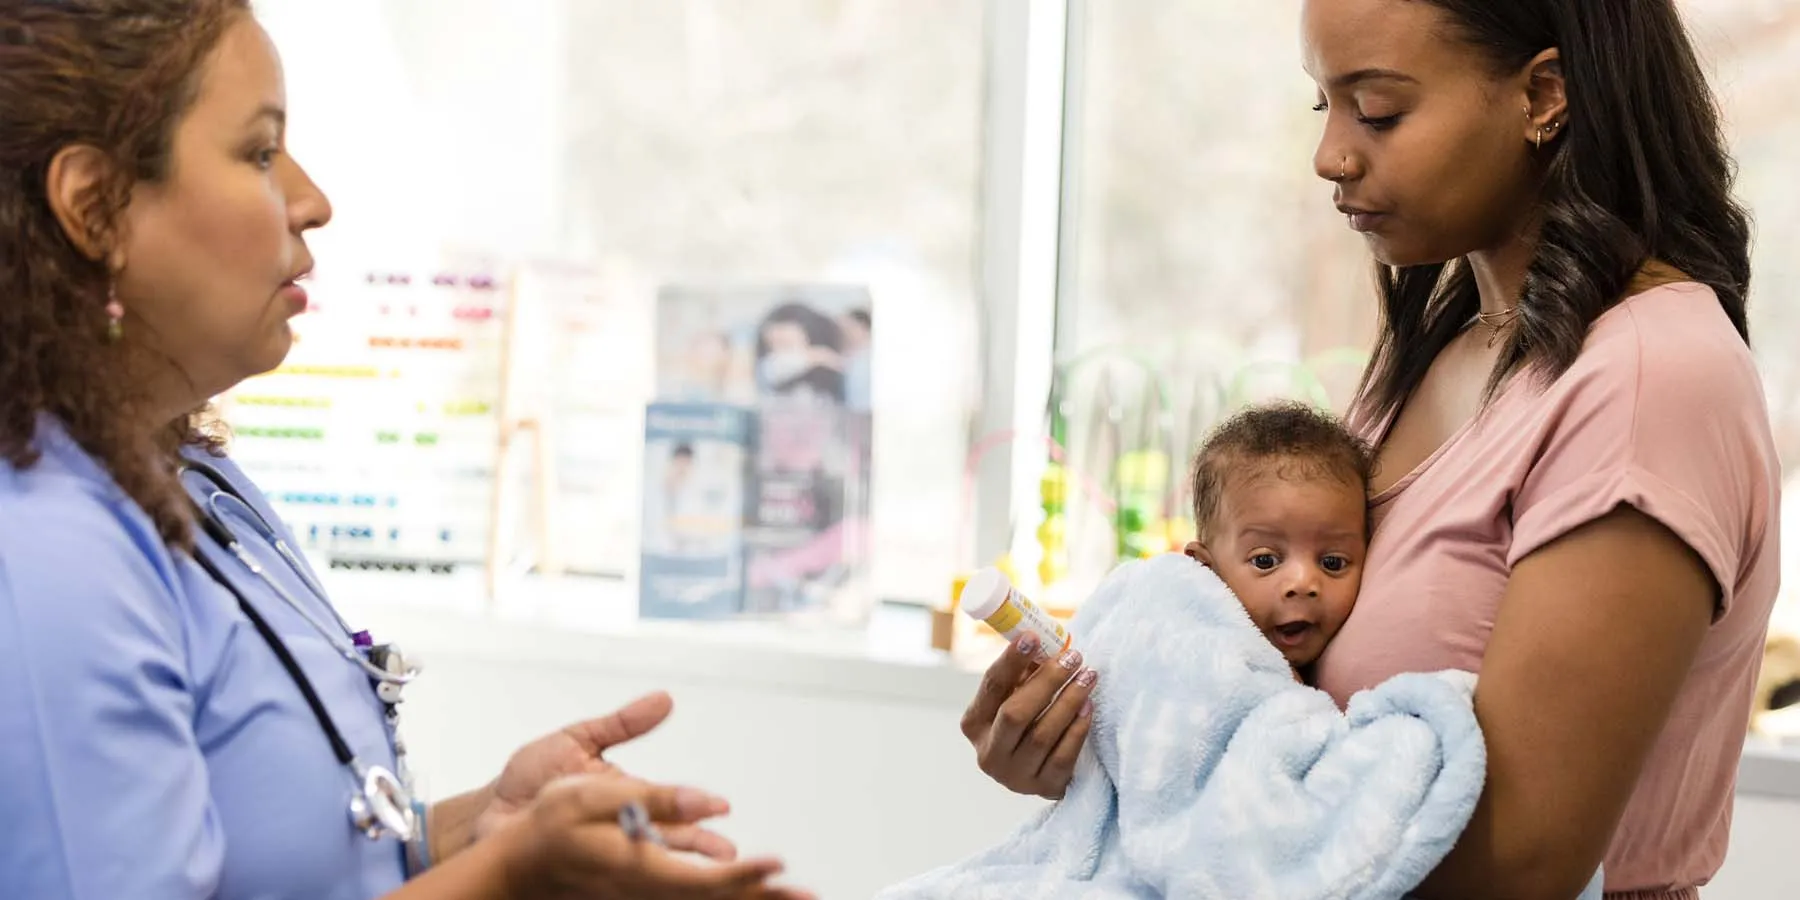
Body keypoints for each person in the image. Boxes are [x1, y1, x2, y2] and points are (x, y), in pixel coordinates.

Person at [957, 2, 1781, 898]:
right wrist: (1118, 749)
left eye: (1378, 111)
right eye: (1325, 106)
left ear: (1543, 95)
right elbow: (1299, 723)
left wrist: (1210, 841)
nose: (1332, 156)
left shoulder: (1649, 381)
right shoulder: (1444, 346)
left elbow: (1522, 861)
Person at [0, 2, 809, 898]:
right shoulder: (44, 552)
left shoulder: (197, 477)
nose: (313, 201)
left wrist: (477, 828)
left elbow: (286, 864)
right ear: (93, 207)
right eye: (260, 153)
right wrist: (506, 879)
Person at [1181, 401, 1374, 681]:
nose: (1302, 583)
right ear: (1206, 571)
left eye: (1332, 563)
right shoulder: (1200, 665)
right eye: (1265, 561)